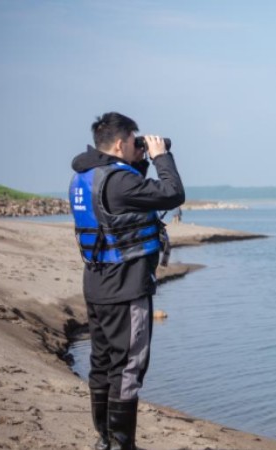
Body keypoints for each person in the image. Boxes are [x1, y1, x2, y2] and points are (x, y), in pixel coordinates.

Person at [69, 112, 185, 450]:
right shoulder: (119, 181)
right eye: (135, 141)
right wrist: (162, 156)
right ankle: (122, 445)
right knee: (128, 367)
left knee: (103, 365)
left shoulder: (86, 176)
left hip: (97, 285)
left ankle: (105, 441)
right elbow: (172, 193)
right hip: (126, 288)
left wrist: (141, 161)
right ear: (120, 143)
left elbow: (128, 202)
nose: (140, 145)